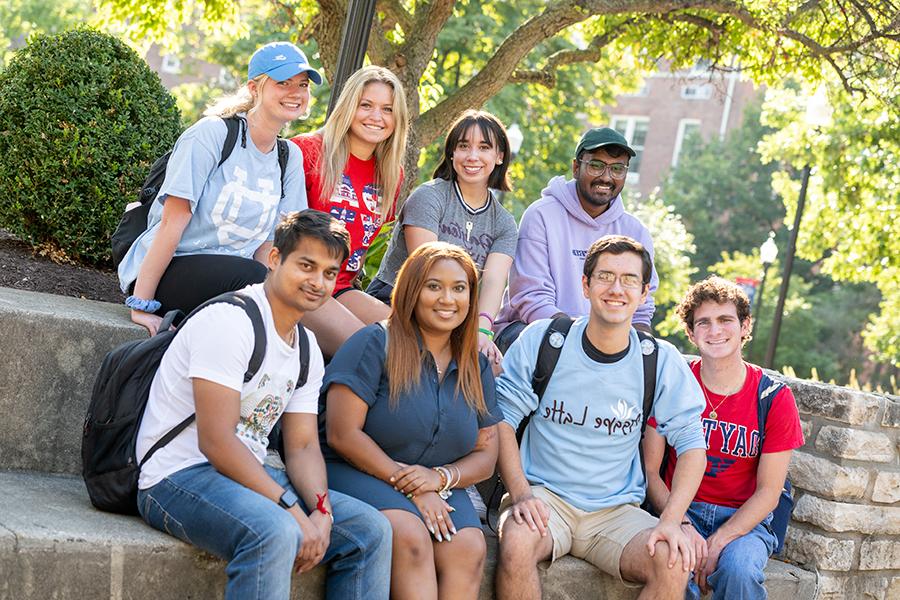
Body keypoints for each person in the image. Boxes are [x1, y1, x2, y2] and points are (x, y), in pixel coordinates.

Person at [135, 210, 392, 600]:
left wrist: (320, 510)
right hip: (177, 476)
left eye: (328, 273)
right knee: (275, 531)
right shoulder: (230, 321)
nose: (317, 282)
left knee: (369, 530)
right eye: (306, 265)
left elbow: (303, 446)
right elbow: (217, 442)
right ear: (274, 259)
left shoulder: (306, 347)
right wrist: (289, 508)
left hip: (247, 476)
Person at [494, 235, 707, 600]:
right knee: (516, 542)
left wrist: (672, 521)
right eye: (606, 276)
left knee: (673, 558)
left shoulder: (658, 359)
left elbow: (692, 446)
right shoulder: (543, 339)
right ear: (585, 284)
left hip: (616, 512)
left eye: (629, 280)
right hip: (545, 499)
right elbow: (501, 422)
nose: (616, 289)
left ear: (643, 294)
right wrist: (520, 493)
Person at [323, 241, 502, 600]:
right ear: (411, 290)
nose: (447, 299)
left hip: (437, 480)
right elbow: (342, 434)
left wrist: (436, 479)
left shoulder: (475, 364)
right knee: (409, 534)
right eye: (433, 286)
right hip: (356, 469)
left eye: (459, 288)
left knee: (468, 546)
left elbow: (486, 454)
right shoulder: (374, 342)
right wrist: (412, 487)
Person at [119, 41, 319, 336]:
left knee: (282, 294)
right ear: (254, 88)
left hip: (235, 279)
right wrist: (142, 303)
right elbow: (172, 223)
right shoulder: (212, 134)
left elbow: (268, 244)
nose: (296, 92)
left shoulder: (289, 157)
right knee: (256, 282)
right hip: (172, 269)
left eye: (302, 85)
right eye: (283, 83)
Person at [643, 276, 804, 600]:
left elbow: (769, 492)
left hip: (744, 517)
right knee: (676, 564)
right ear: (690, 332)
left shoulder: (773, 397)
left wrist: (719, 541)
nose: (715, 331)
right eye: (703, 322)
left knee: (740, 570)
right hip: (680, 508)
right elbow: (650, 473)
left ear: (745, 326)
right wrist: (682, 524)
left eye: (725, 320)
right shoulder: (674, 382)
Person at [368, 109, 518, 368]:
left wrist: (482, 331)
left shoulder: (504, 222)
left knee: (491, 367)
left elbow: (493, 282)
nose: (473, 156)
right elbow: (427, 271)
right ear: (452, 153)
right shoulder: (429, 197)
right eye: (463, 146)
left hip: (450, 312)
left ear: (499, 156)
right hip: (397, 301)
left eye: (484, 147)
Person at [493, 127, 658, 350]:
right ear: (576, 167)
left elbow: (641, 310)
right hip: (530, 330)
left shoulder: (635, 231)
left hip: (605, 340)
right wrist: (584, 343)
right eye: (596, 165)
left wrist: (644, 350)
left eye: (617, 169)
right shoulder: (541, 215)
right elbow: (532, 298)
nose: (606, 177)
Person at [292, 66, 409, 356]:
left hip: (342, 286)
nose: (376, 117)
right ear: (348, 106)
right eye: (365, 105)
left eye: (387, 109)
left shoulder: (391, 175)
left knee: (411, 345)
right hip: (301, 283)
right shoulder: (306, 152)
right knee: (372, 350)